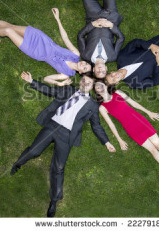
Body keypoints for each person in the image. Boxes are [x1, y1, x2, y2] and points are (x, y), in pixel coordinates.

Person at [10, 72, 116, 217]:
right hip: (52, 126)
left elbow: (96, 125)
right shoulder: (69, 89)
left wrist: (107, 142)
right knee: (34, 151)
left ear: (92, 87)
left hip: (67, 136)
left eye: (89, 83)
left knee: (58, 167)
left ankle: (54, 200)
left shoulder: (92, 105)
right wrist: (31, 81)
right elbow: (50, 91)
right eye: (84, 80)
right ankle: (18, 163)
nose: (85, 84)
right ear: (81, 82)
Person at [0, 8, 91, 86]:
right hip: (41, 38)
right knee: (11, 26)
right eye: (86, 64)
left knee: (8, 31)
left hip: (34, 51)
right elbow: (65, 38)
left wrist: (60, 83)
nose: (83, 65)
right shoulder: (76, 54)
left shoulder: (66, 74)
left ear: (81, 73)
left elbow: (47, 79)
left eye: (85, 68)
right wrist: (58, 19)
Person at [94, 80, 159, 184]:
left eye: (101, 85)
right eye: (98, 87)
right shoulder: (102, 107)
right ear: (97, 92)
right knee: (153, 150)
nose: (100, 87)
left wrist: (149, 112)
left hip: (140, 121)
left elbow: (134, 103)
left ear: (105, 85)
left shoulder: (118, 93)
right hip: (130, 128)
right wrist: (119, 140)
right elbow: (111, 124)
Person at [78, 0, 133, 79]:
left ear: (93, 69)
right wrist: (110, 26)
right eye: (103, 72)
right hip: (110, 17)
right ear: (106, 69)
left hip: (93, 16)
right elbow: (120, 38)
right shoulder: (113, 56)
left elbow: (81, 35)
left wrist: (93, 24)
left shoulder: (85, 56)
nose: (100, 70)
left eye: (98, 72)